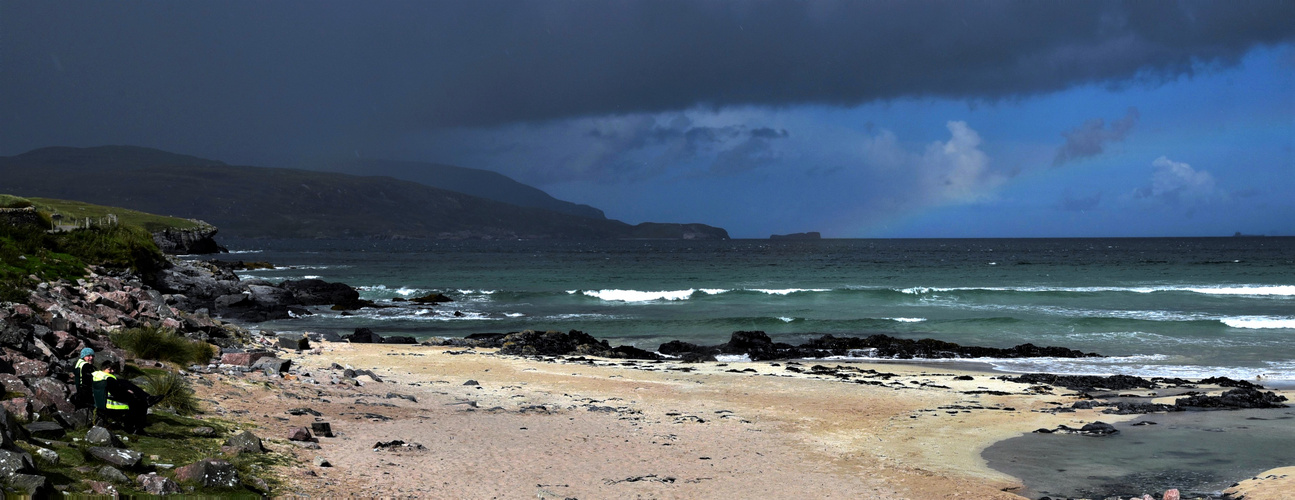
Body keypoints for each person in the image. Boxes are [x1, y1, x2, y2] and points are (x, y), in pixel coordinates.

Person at [91, 361, 163, 434]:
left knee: (125, 383)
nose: (112, 371)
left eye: (113, 369)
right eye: (110, 369)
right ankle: (135, 428)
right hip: (111, 404)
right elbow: (117, 393)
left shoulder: (97, 375)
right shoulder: (109, 378)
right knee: (139, 402)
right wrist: (128, 392)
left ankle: (147, 398)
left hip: (101, 402)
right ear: (104, 369)